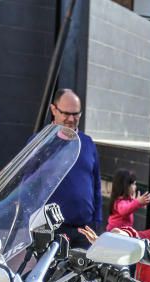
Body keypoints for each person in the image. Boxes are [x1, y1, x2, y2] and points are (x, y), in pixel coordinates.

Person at [46, 89, 102, 250]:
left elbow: (96, 185)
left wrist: (97, 222)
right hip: (52, 230)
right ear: (54, 110)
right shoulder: (41, 143)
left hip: (85, 230)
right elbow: (27, 185)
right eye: (66, 113)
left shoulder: (88, 143)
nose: (71, 119)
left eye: (76, 114)